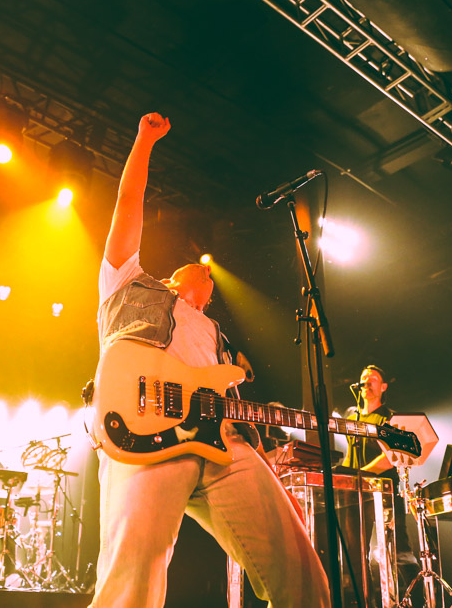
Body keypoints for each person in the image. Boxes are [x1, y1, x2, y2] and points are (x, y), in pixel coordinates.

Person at [90, 113, 330, 608]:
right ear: (177, 278)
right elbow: (128, 205)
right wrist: (144, 141)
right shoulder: (129, 284)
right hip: (145, 430)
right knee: (131, 587)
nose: (209, 285)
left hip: (223, 443)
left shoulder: (218, 336)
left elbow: (231, 398)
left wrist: (266, 465)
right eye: (200, 279)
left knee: (301, 572)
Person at [340, 366, 418, 606]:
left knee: (398, 550)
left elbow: (391, 455)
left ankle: (416, 599)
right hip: (353, 492)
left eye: (372, 379)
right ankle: (366, 602)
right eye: (363, 378)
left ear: (383, 387)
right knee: (355, 554)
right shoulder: (351, 417)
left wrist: (363, 473)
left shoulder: (390, 417)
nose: (366, 382)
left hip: (385, 490)